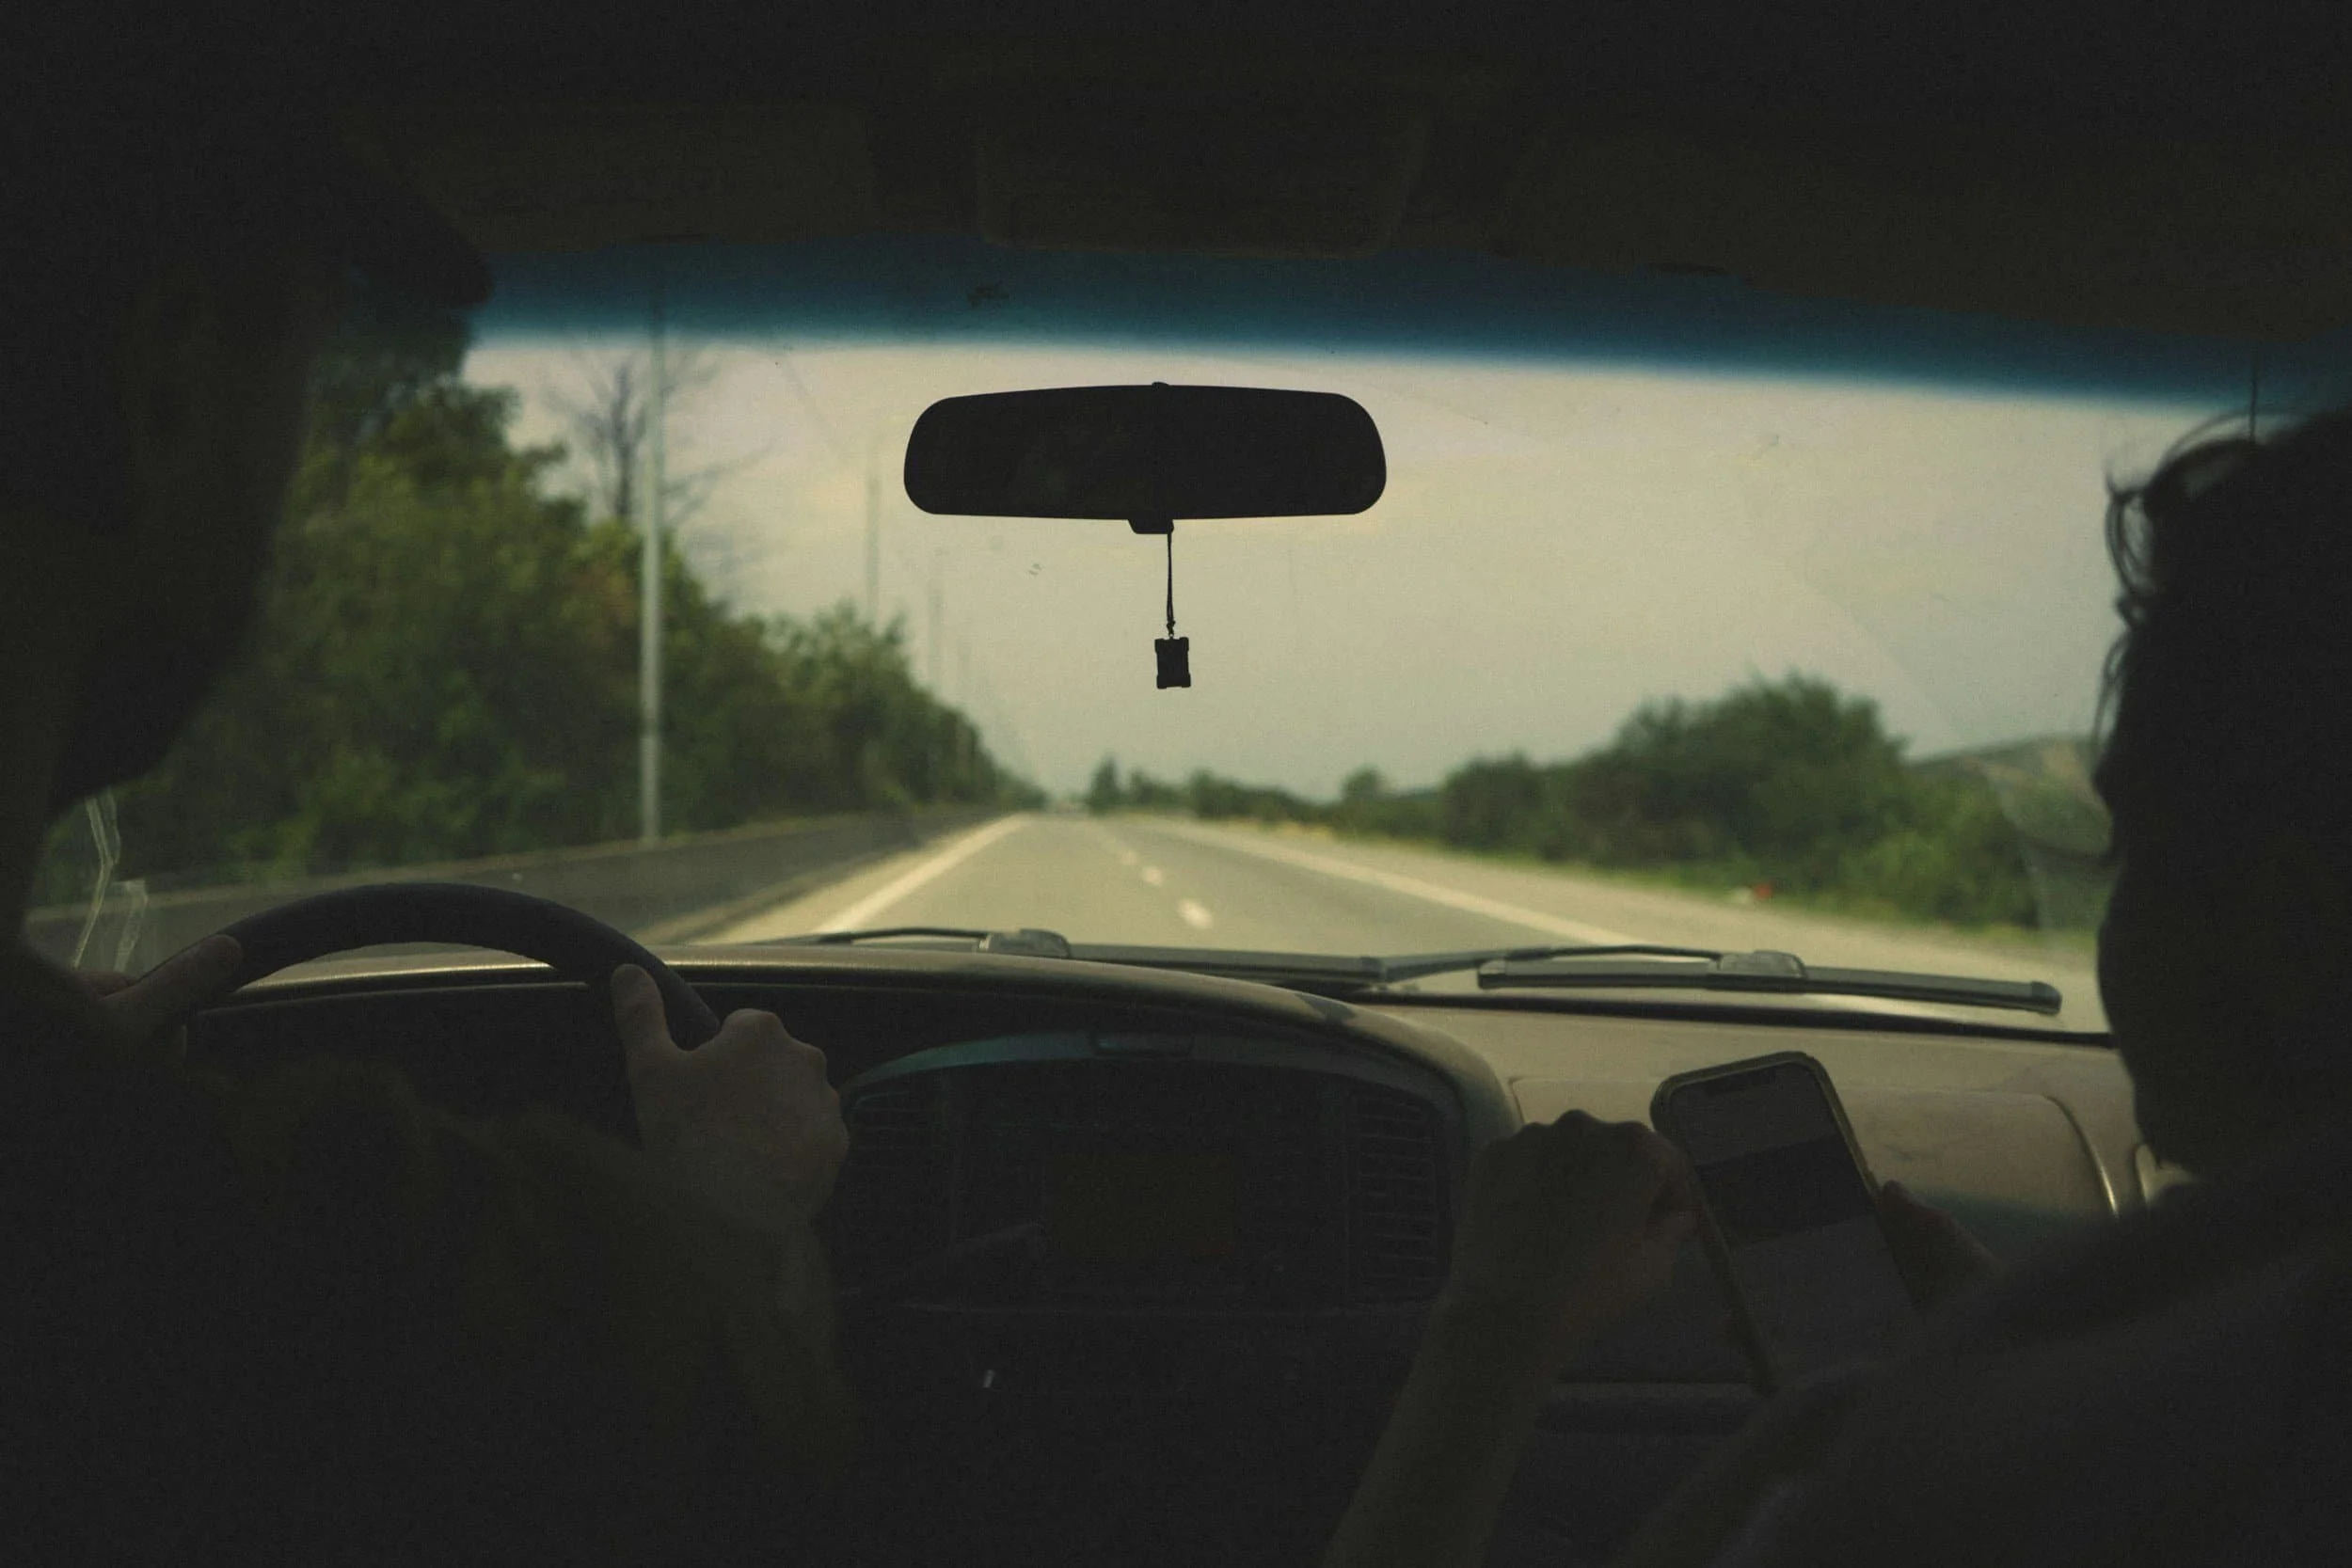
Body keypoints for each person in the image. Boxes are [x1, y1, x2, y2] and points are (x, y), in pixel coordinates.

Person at [1, 31, 855, 1563]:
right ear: (169, 374)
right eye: (316, 351)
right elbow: (722, 1403)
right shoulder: (213, 1223)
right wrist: (736, 1188)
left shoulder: (74, 1144)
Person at [1326, 410, 2352, 1568]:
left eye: (2135, 847)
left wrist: (1494, 1328)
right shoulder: (2211, 1392)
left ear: (2294, 916)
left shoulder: (2032, 1462)